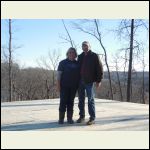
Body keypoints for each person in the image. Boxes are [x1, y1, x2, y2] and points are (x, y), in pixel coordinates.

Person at [77, 41, 103, 125]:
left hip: (89, 81)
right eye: (83, 46)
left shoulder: (94, 56)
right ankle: (82, 117)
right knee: (81, 99)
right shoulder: (80, 56)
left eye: (86, 46)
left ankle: (92, 118)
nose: (84, 47)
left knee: (90, 100)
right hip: (80, 81)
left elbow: (99, 68)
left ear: (89, 46)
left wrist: (98, 80)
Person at [57, 47, 80, 124]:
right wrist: (58, 85)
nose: (71, 54)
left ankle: (69, 119)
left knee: (71, 102)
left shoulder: (77, 63)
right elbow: (58, 75)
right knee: (63, 102)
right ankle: (61, 119)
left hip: (74, 87)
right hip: (64, 86)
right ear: (67, 54)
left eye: (73, 52)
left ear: (75, 54)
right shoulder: (62, 63)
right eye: (69, 52)